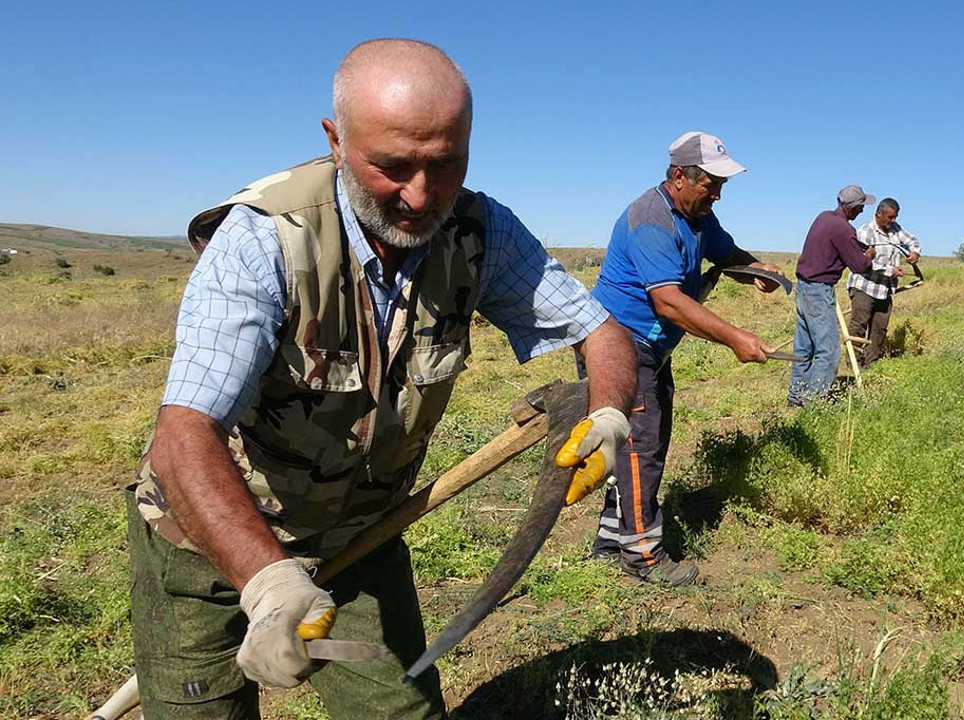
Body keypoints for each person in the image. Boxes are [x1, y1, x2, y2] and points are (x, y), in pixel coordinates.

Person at [126, 39, 636, 719]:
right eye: (392, 166)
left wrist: (609, 415)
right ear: (336, 141)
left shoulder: (480, 232)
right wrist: (268, 583)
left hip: (359, 537)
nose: (421, 195)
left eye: (445, 164)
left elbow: (598, 331)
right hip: (205, 538)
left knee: (400, 712)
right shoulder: (263, 240)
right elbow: (183, 435)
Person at [589, 131, 784, 587]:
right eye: (710, 184)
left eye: (721, 186)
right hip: (618, 346)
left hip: (650, 347)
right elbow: (670, 303)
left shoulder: (697, 216)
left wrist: (756, 269)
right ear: (678, 176)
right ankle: (643, 556)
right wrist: (736, 337)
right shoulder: (651, 219)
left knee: (631, 443)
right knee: (642, 446)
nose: (716, 194)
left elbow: (725, 252)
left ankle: (610, 540)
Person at [786, 185, 877, 406]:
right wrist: (869, 255)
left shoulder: (824, 217)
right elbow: (859, 266)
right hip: (819, 291)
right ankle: (813, 404)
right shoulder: (843, 229)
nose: (862, 212)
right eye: (861, 207)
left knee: (804, 348)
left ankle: (795, 398)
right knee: (829, 351)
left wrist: (856, 245)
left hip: (804, 289)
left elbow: (837, 245)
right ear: (852, 207)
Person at [846, 198, 921, 365]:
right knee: (859, 325)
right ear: (878, 214)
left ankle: (871, 364)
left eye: (895, 217)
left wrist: (915, 253)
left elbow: (912, 241)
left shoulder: (895, 229)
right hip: (864, 286)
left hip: (885, 289)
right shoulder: (865, 232)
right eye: (890, 217)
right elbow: (863, 263)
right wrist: (891, 271)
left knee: (879, 328)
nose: (893, 221)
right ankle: (853, 365)